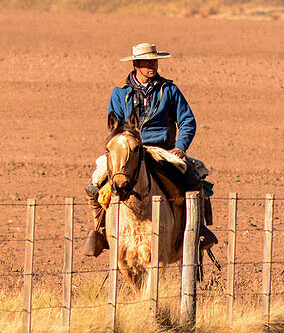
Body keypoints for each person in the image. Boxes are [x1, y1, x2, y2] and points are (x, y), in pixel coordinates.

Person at [82, 42, 198, 256]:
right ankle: (100, 231)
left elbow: (188, 121)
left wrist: (180, 147)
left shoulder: (169, 89)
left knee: (193, 177)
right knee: (95, 185)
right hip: (127, 148)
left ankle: (197, 231)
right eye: (147, 61)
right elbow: (113, 125)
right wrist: (124, 144)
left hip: (161, 149)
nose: (153, 65)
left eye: (154, 61)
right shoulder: (120, 91)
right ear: (136, 64)